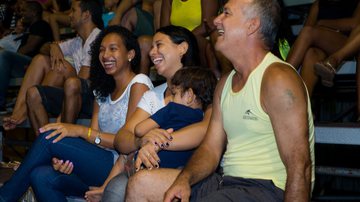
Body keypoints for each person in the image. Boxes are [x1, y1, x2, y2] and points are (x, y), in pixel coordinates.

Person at [125, 0, 315, 201]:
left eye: (226, 13)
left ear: (252, 25)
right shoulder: (225, 83)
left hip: (267, 189)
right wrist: (184, 179)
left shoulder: (278, 78)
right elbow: (210, 150)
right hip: (227, 182)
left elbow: (300, 167)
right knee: (140, 184)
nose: (216, 21)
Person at [0, 25, 153, 201]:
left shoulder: (139, 83)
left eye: (113, 49)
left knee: (49, 136)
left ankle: (5, 197)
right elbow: (93, 141)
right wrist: (71, 159)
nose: (105, 55)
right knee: (40, 175)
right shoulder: (102, 91)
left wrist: (80, 131)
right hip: (97, 163)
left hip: (119, 166)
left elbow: (127, 142)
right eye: (102, 50)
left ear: (130, 54)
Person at [91, 25, 210, 202]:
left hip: (189, 167)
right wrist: (142, 141)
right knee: (115, 189)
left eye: (159, 45)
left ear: (182, 48)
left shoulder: (204, 87)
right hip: (147, 163)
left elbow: (206, 130)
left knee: (119, 189)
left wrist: (156, 143)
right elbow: (123, 137)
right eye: (151, 47)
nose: (152, 52)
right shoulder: (152, 94)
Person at [2, 0, 103, 131]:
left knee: (60, 67)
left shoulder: (96, 37)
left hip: (93, 99)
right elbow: (43, 49)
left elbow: (81, 82)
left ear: (86, 15)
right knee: (39, 60)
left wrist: (62, 115)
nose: (69, 15)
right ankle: (20, 111)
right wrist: (54, 46)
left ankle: (34, 105)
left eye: (73, 11)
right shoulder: (78, 41)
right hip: (74, 90)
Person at [286, 0, 360, 94]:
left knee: (307, 32)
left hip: (344, 44)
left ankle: (282, 72)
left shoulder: (355, 2)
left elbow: (354, 24)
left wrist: (322, 23)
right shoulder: (318, 4)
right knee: (311, 53)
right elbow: (307, 28)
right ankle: (304, 101)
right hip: (321, 44)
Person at [0, 0, 53, 114]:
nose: (22, 13)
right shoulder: (30, 28)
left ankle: (0, 103)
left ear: (33, 12)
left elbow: (30, 47)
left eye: (25, 11)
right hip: (25, 64)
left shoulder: (41, 25)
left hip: (35, 65)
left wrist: (12, 58)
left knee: (4, 55)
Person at [160, 0, 221, 78]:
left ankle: (212, 79)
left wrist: (185, 38)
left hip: (200, 38)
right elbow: (164, 30)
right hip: (176, 40)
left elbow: (207, 25)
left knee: (195, 40)